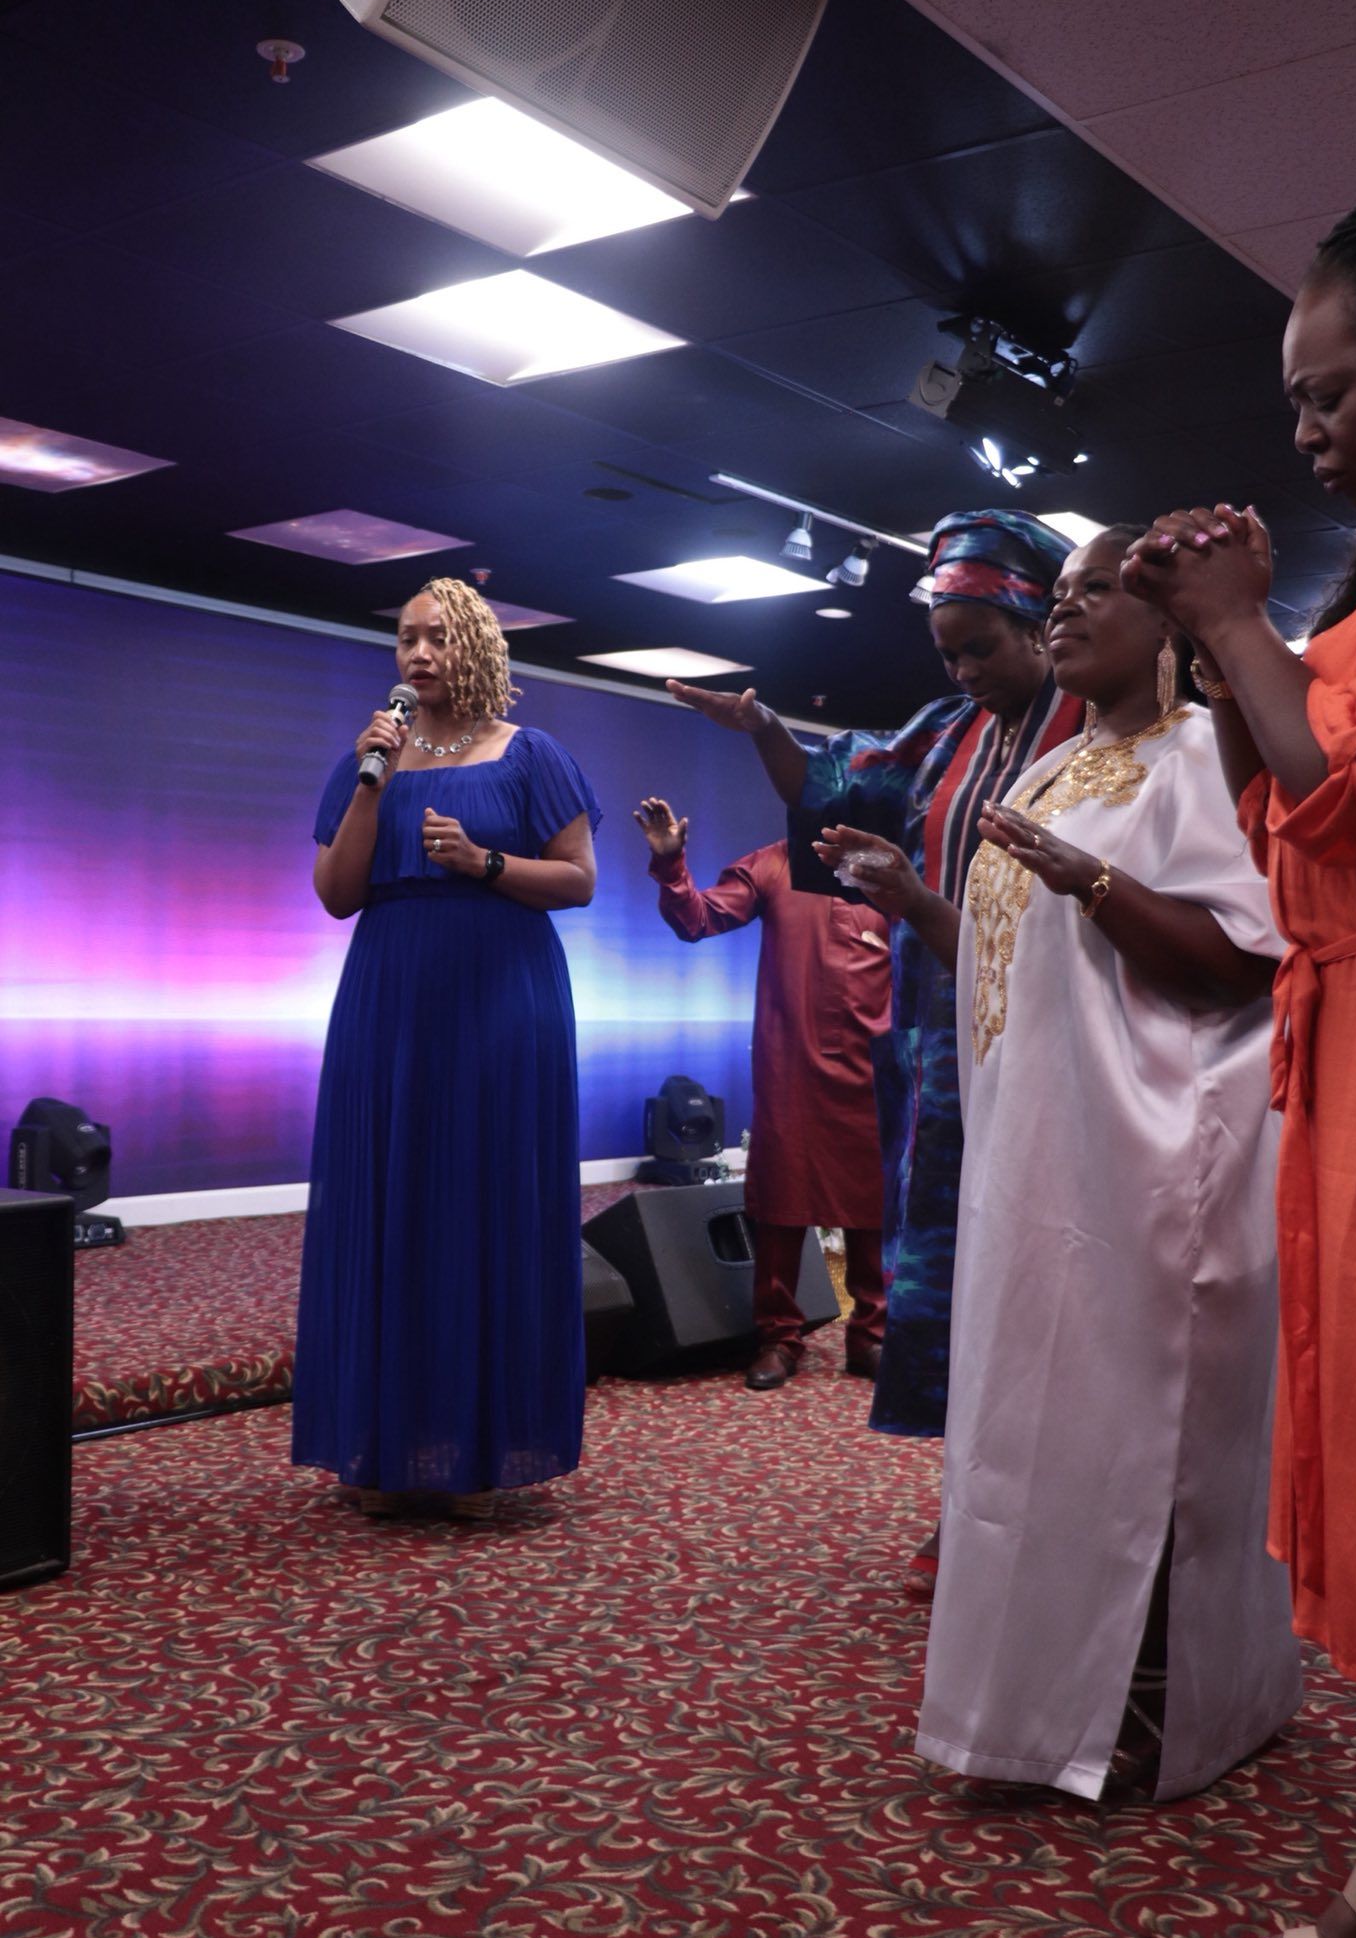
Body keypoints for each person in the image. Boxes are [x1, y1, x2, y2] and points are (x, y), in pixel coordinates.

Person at [909, 525, 1300, 1802]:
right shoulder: (1058, 764)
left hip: (1151, 1153)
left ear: (1169, 621)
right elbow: (1020, 962)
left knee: (1136, 1433)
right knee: (1034, 1429)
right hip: (1038, 1150)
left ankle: (1153, 1701)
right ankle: (1031, 1700)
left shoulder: (1202, 753)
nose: (1065, 611)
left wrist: (1095, 883)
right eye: (1060, 593)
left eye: (1096, 594)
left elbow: (1244, 956)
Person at [667, 511, 1085, 1567]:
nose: (963, 669)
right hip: (949, 1052)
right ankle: (977, 1511)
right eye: (946, 652)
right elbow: (843, 784)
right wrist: (764, 727)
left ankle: (1074, 1524)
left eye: (979, 647)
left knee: (1061, 1275)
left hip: (1075, 1037)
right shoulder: (949, 732)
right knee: (964, 1273)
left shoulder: (1101, 722)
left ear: (1039, 621)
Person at [1123, 203, 1356, 1938]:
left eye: (1334, 390)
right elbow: (1274, 804)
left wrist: (1237, 616)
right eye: (1296, 399)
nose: (1306, 430)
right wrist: (1214, 642)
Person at [293, 578, 601, 1518]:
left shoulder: (530, 754)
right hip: (387, 998)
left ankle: (485, 1449)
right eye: (405, 640)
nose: (418, 656)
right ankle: (381, 1446)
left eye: (435, 639)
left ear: (475, 648)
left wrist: (484, 863)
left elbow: (580, 881)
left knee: (482, 1203)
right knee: (384, 1201)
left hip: (503, 1003)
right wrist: (366, 781)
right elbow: (337, 894)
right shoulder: (366, 758)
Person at [633, 795, 890, 1388]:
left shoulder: (888, 871)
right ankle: (779, 1338)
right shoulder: (774, 864)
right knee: (779, 1200)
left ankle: (872, 1337)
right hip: (791, 1064)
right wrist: (672, 864)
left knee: (875, 1205)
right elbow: (696, 919)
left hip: (875, 1066)